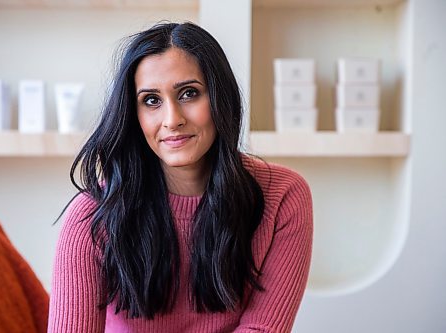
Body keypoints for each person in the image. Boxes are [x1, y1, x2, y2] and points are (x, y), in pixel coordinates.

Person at [48, 21, 313, 333]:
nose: (172, 120)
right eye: (151, 100)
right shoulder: (92, 215)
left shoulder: (282, 196)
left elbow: (263, 328)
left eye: (189, 93)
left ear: (219, 98)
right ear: (133, 116)